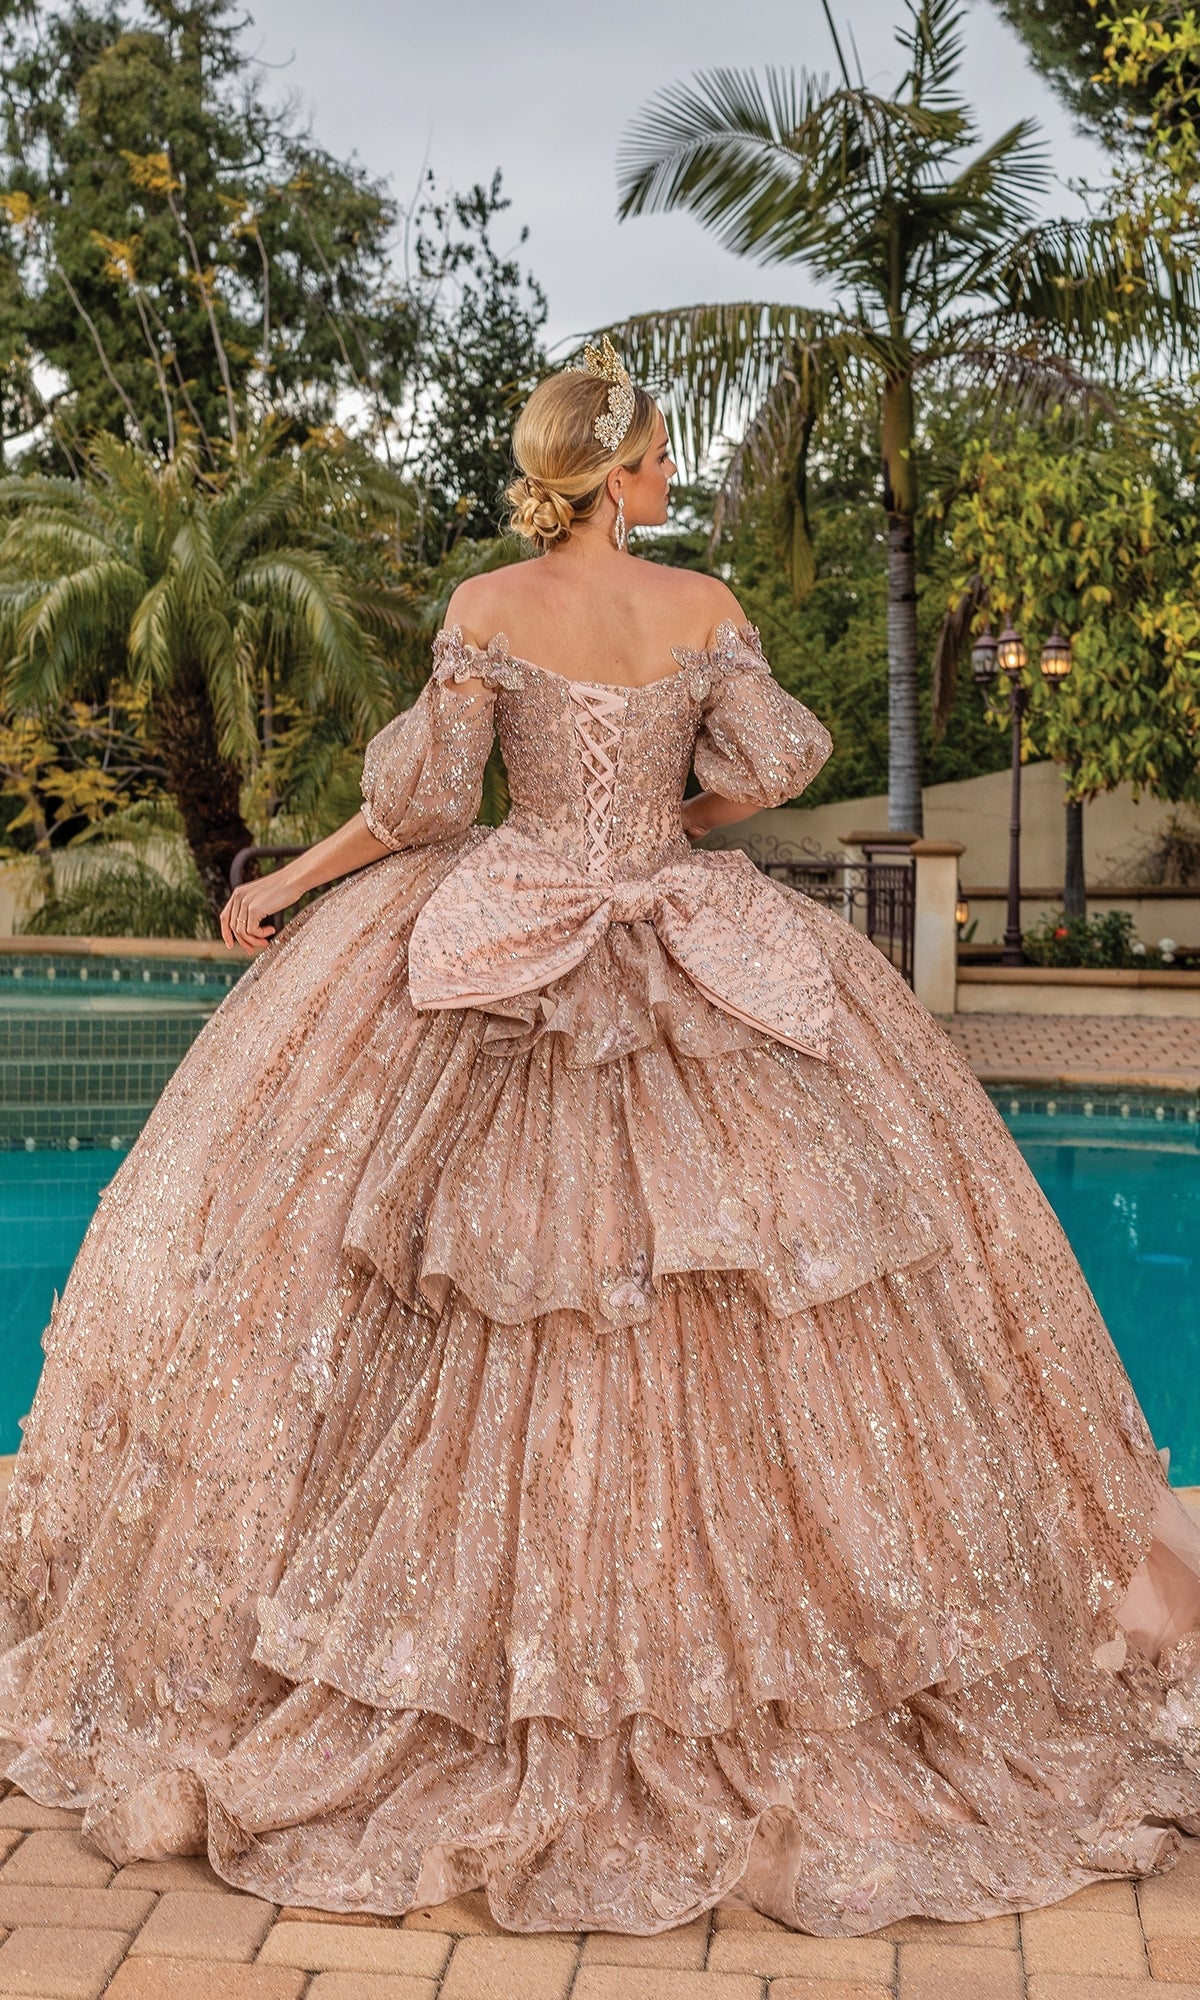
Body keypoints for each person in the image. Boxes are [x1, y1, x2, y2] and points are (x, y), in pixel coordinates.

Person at [0, 340, 1198, 1939]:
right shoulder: (701, 609)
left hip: (511, 918)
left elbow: (428, 807)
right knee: (773, 1271)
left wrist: (286, 882)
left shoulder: (491, 606)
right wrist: (676, 831)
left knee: (449, 1268)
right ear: (618, 473)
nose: (670, 475)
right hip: (692, 924)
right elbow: (773, 765)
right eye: (660, 456)